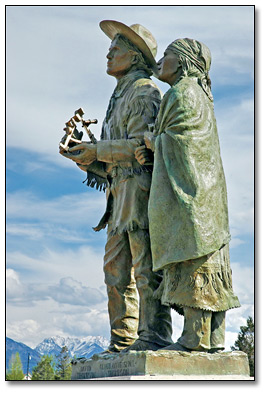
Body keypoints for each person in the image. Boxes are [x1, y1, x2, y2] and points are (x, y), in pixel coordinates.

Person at [60, 20, 172, 353]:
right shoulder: (119, 94)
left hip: (140, 192)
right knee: (115, 270)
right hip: (118, 195)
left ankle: (154, 335)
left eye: (117, 47)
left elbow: (142, 146)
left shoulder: (144, 91)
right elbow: (110, 159)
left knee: (145, 267)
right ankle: (122, 340)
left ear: (136, 57)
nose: (109, 52)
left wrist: (97, 151)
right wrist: (82, 155)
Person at [135, 38, 240, 352]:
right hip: (206, 197)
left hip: (192, 198)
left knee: (194, 263)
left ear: (180, 61)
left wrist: (155, 142)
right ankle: (214, 340)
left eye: (166, 54)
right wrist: (156, 150)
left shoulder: (182, 92)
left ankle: (194, 339)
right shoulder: (199, 95)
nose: (160, 60)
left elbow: (184, 143)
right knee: (207, 264)